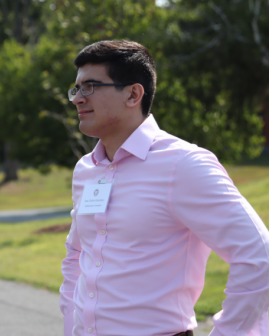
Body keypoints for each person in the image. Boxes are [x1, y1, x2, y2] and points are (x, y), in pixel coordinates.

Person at [60, 40, 269, 336]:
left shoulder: (183, 164)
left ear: (133, 94)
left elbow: (259, 257)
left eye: (91, 86)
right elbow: (76, 257)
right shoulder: (86, 170)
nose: (78, 99)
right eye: (76, 89)